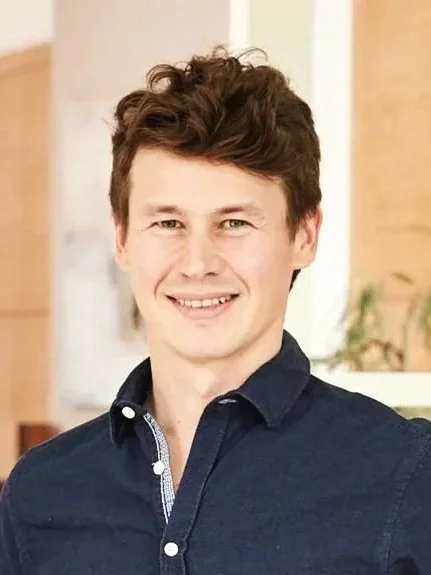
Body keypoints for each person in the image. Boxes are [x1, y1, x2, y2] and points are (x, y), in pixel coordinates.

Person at [1, 47, 430, 575]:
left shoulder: (406, 477)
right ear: (122, 237)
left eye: (234, 223)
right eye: (168, 223)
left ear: (304, 235)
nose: (198, 263)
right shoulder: (40, 494)